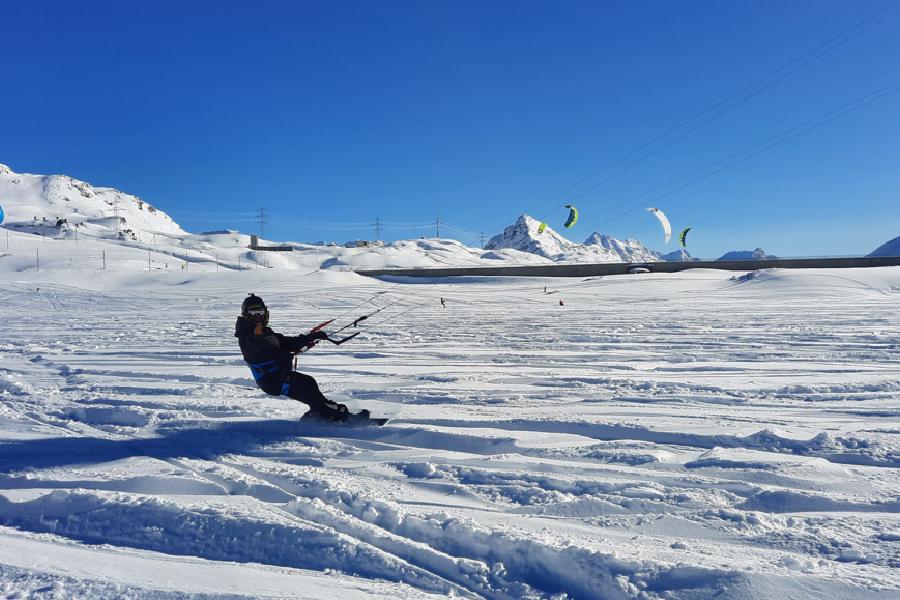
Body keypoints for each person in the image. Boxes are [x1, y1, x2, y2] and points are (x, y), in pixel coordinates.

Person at [235, 293, 353, 422]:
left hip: (280, 376)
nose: (257, 316)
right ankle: (332, 416)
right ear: (246, 315)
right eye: (253, 313)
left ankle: (321, 411)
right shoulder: (246, 338)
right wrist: (259, 338)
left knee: (309, 382)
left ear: (265, 313)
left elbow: (287, 342)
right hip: (272, 381)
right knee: (306, 388)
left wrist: (311, 337)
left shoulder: (266, 332)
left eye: (260, 312)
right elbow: (260, 351)